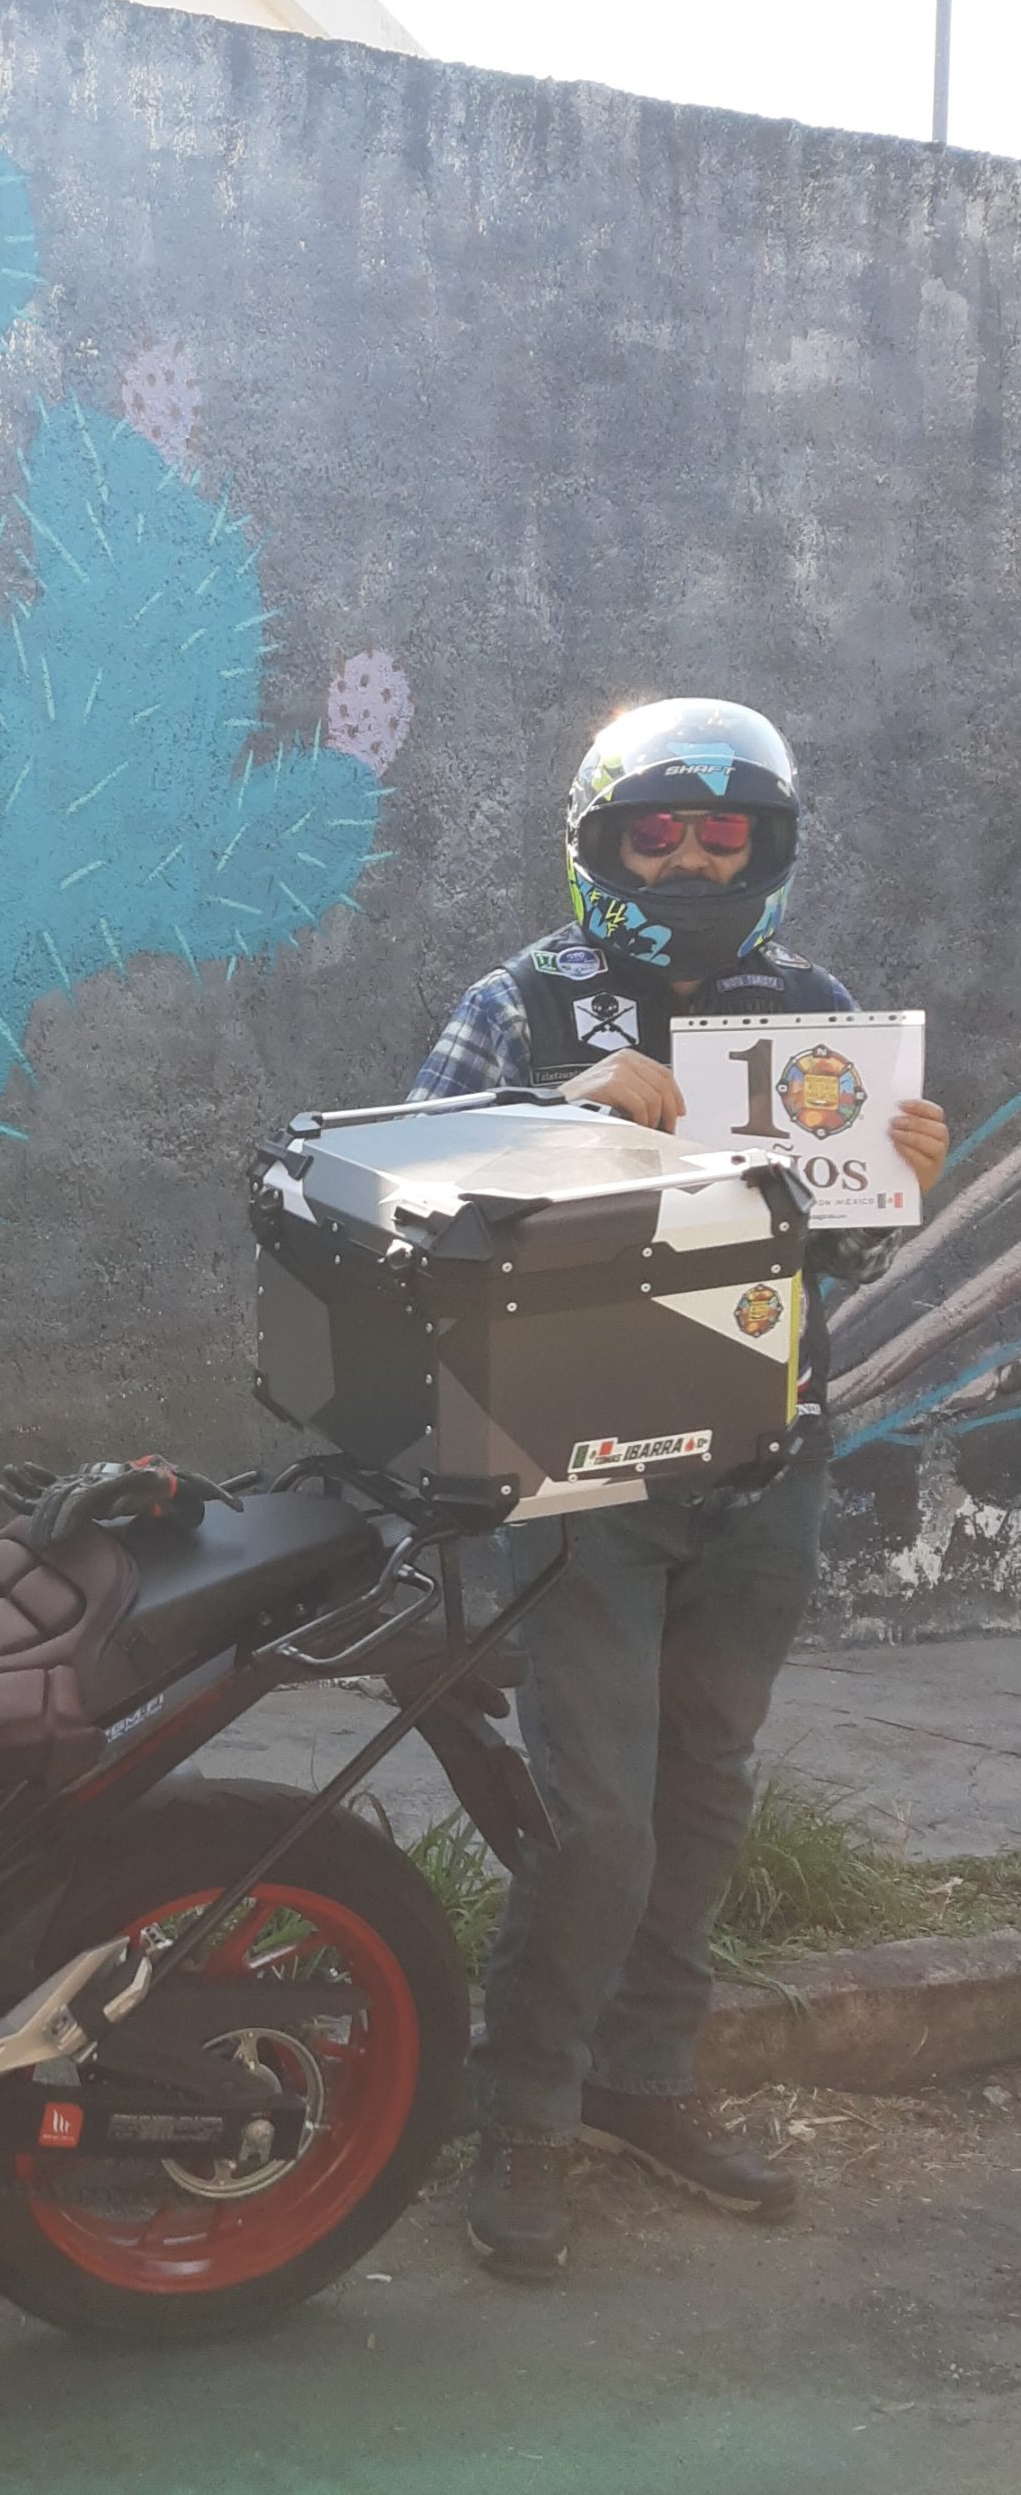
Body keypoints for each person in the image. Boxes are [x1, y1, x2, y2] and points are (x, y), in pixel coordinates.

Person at [409, 698, 949, 2280]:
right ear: (604, 844)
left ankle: (646, 2080)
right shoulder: (521, 1004)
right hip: (583, 1470)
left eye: (726, 836)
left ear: (767, 849)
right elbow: (411, 1197)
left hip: (764, 1458)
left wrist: (892, 1179)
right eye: (661, 834)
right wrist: (562, 1114)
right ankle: (524, 2109)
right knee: (597, 1821)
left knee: (703, 1787)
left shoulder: (813, 1010)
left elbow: (830, 1249)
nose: (695, 861)